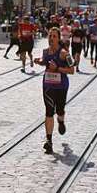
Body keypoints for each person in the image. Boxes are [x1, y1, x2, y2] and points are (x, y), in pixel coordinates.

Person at [34, 27, 74, 155]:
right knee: (49, 112)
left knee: (60, 110)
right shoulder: (46, 52)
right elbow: (44, 61)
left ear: (59, 38)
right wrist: (39, 61)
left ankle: (61, 121)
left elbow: (71, 70)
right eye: (50, 36)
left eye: (54, 36)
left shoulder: (64, 53)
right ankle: (49, 141)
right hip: (48, 86)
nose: (51, 39)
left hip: (61, 86)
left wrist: (57, 69)